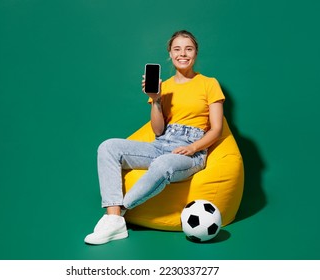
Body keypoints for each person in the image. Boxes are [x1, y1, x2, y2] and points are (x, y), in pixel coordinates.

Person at [84, 30, 225, 245]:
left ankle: (118, 213)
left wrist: (194, 148)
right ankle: (114, 218)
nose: (183, 54)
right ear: (170, 53)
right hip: (162, 143)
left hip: (190, 151)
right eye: (177, 49)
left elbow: (216, 129)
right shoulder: (164, 86)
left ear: (196, 53)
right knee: (108, 147)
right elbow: (158, 131)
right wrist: (156, 100)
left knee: (162, 164)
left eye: (188, 49)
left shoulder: (209, 83)